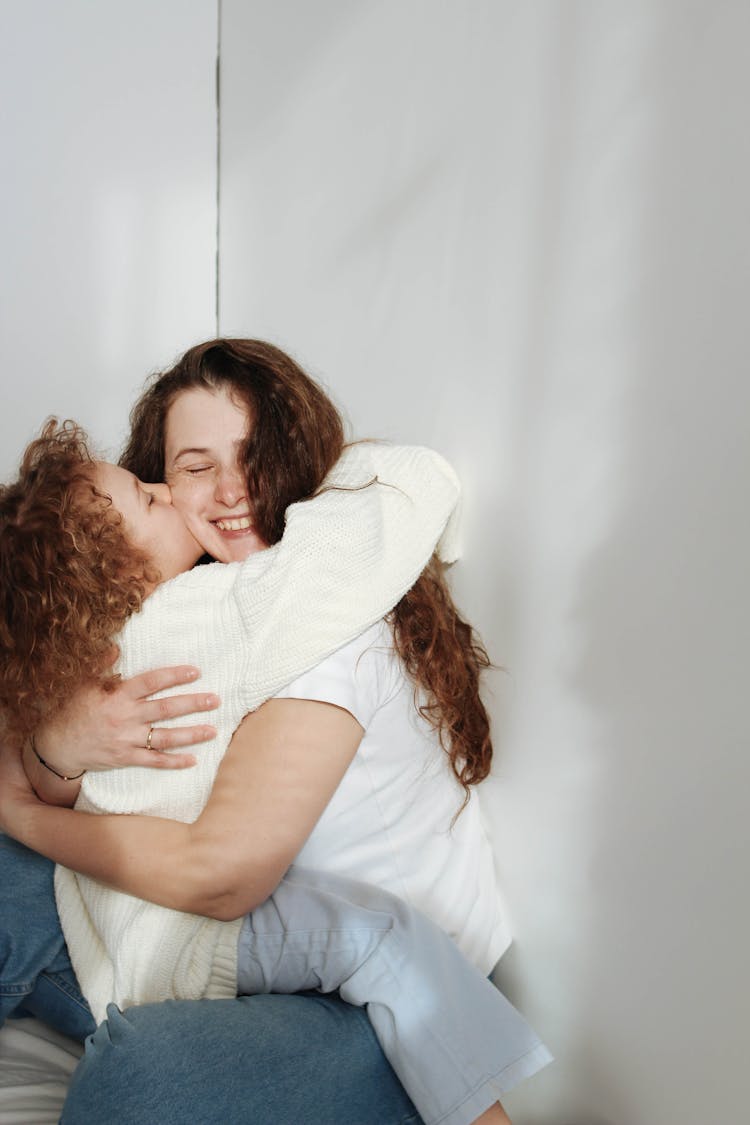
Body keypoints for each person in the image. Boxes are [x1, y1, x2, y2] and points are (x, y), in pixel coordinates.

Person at [0, 340, 546, 1124]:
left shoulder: (312, 612)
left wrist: (25, 810)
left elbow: (223, 873)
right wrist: (60, 743)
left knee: (139, 1080)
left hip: (388, 997)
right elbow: (38, 712)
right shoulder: (181, 610)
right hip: (236, 947)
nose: (231, 490)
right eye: (190, 468)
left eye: (256, 454)